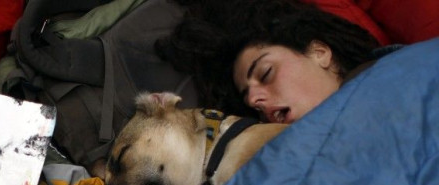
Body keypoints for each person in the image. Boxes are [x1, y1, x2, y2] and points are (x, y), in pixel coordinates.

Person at [157, 0, 381, 123]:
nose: (255, 100)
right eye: (248, 101)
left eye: (265, 74)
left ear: (319, 53)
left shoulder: (402, 75)